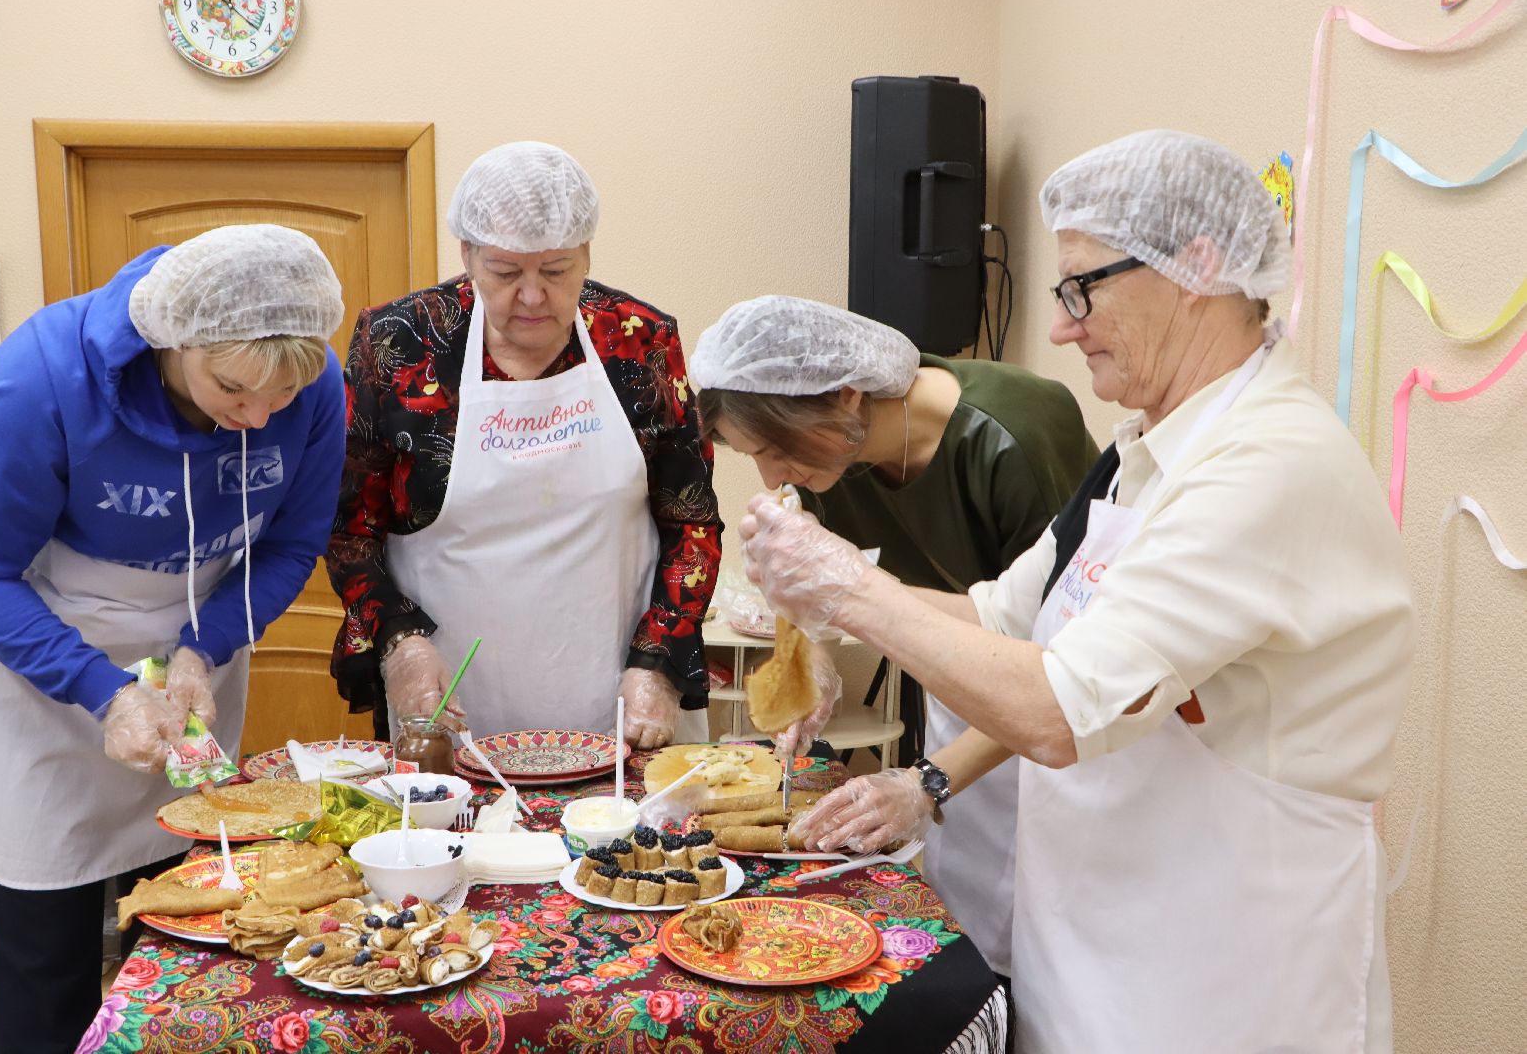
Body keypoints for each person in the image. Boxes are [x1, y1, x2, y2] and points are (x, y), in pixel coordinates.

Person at [743, 131, 1416, 1052]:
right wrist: (821, 600)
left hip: (1229, 973)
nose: (1060, 327)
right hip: (1099, 950)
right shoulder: (1139, 454)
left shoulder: (1268, 466)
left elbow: (1060, 710)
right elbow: (994, 617)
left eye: (1082, 288)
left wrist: (852, 588)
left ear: (1198, 267)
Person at [0, 224, 347, 1054]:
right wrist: (107, 689)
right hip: (38, 655)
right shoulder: (44, 375)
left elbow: (291, 543)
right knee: (48, 947)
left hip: (195, 646)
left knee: (185, 930)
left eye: (279, 401)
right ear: (173, 338)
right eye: (233, 388)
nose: (257, 417)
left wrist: (204, 645)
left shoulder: (312, 380)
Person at [688, 295, 1095, 972]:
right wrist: (814, 656)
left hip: (1063, 707)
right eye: (751, 455)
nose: (772, 476)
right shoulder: (825, 452)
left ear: (847, 395)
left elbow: (1059, 662)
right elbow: (820, 573)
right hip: (958, 694)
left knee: (1049, 953)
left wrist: (927, 783)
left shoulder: (1014, 434)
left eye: (775, 449)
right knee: (967, 929)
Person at [328, 141, 719, 747]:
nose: (532, 297)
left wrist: (661, 660)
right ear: (468, 254)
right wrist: (398, 646)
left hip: (619, 699)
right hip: (447, 706)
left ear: (586, 254)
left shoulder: (639, 340)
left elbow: (692, 521)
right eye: (506, 272)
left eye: (557, 271)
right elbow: (351, 531)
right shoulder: (401, 340)